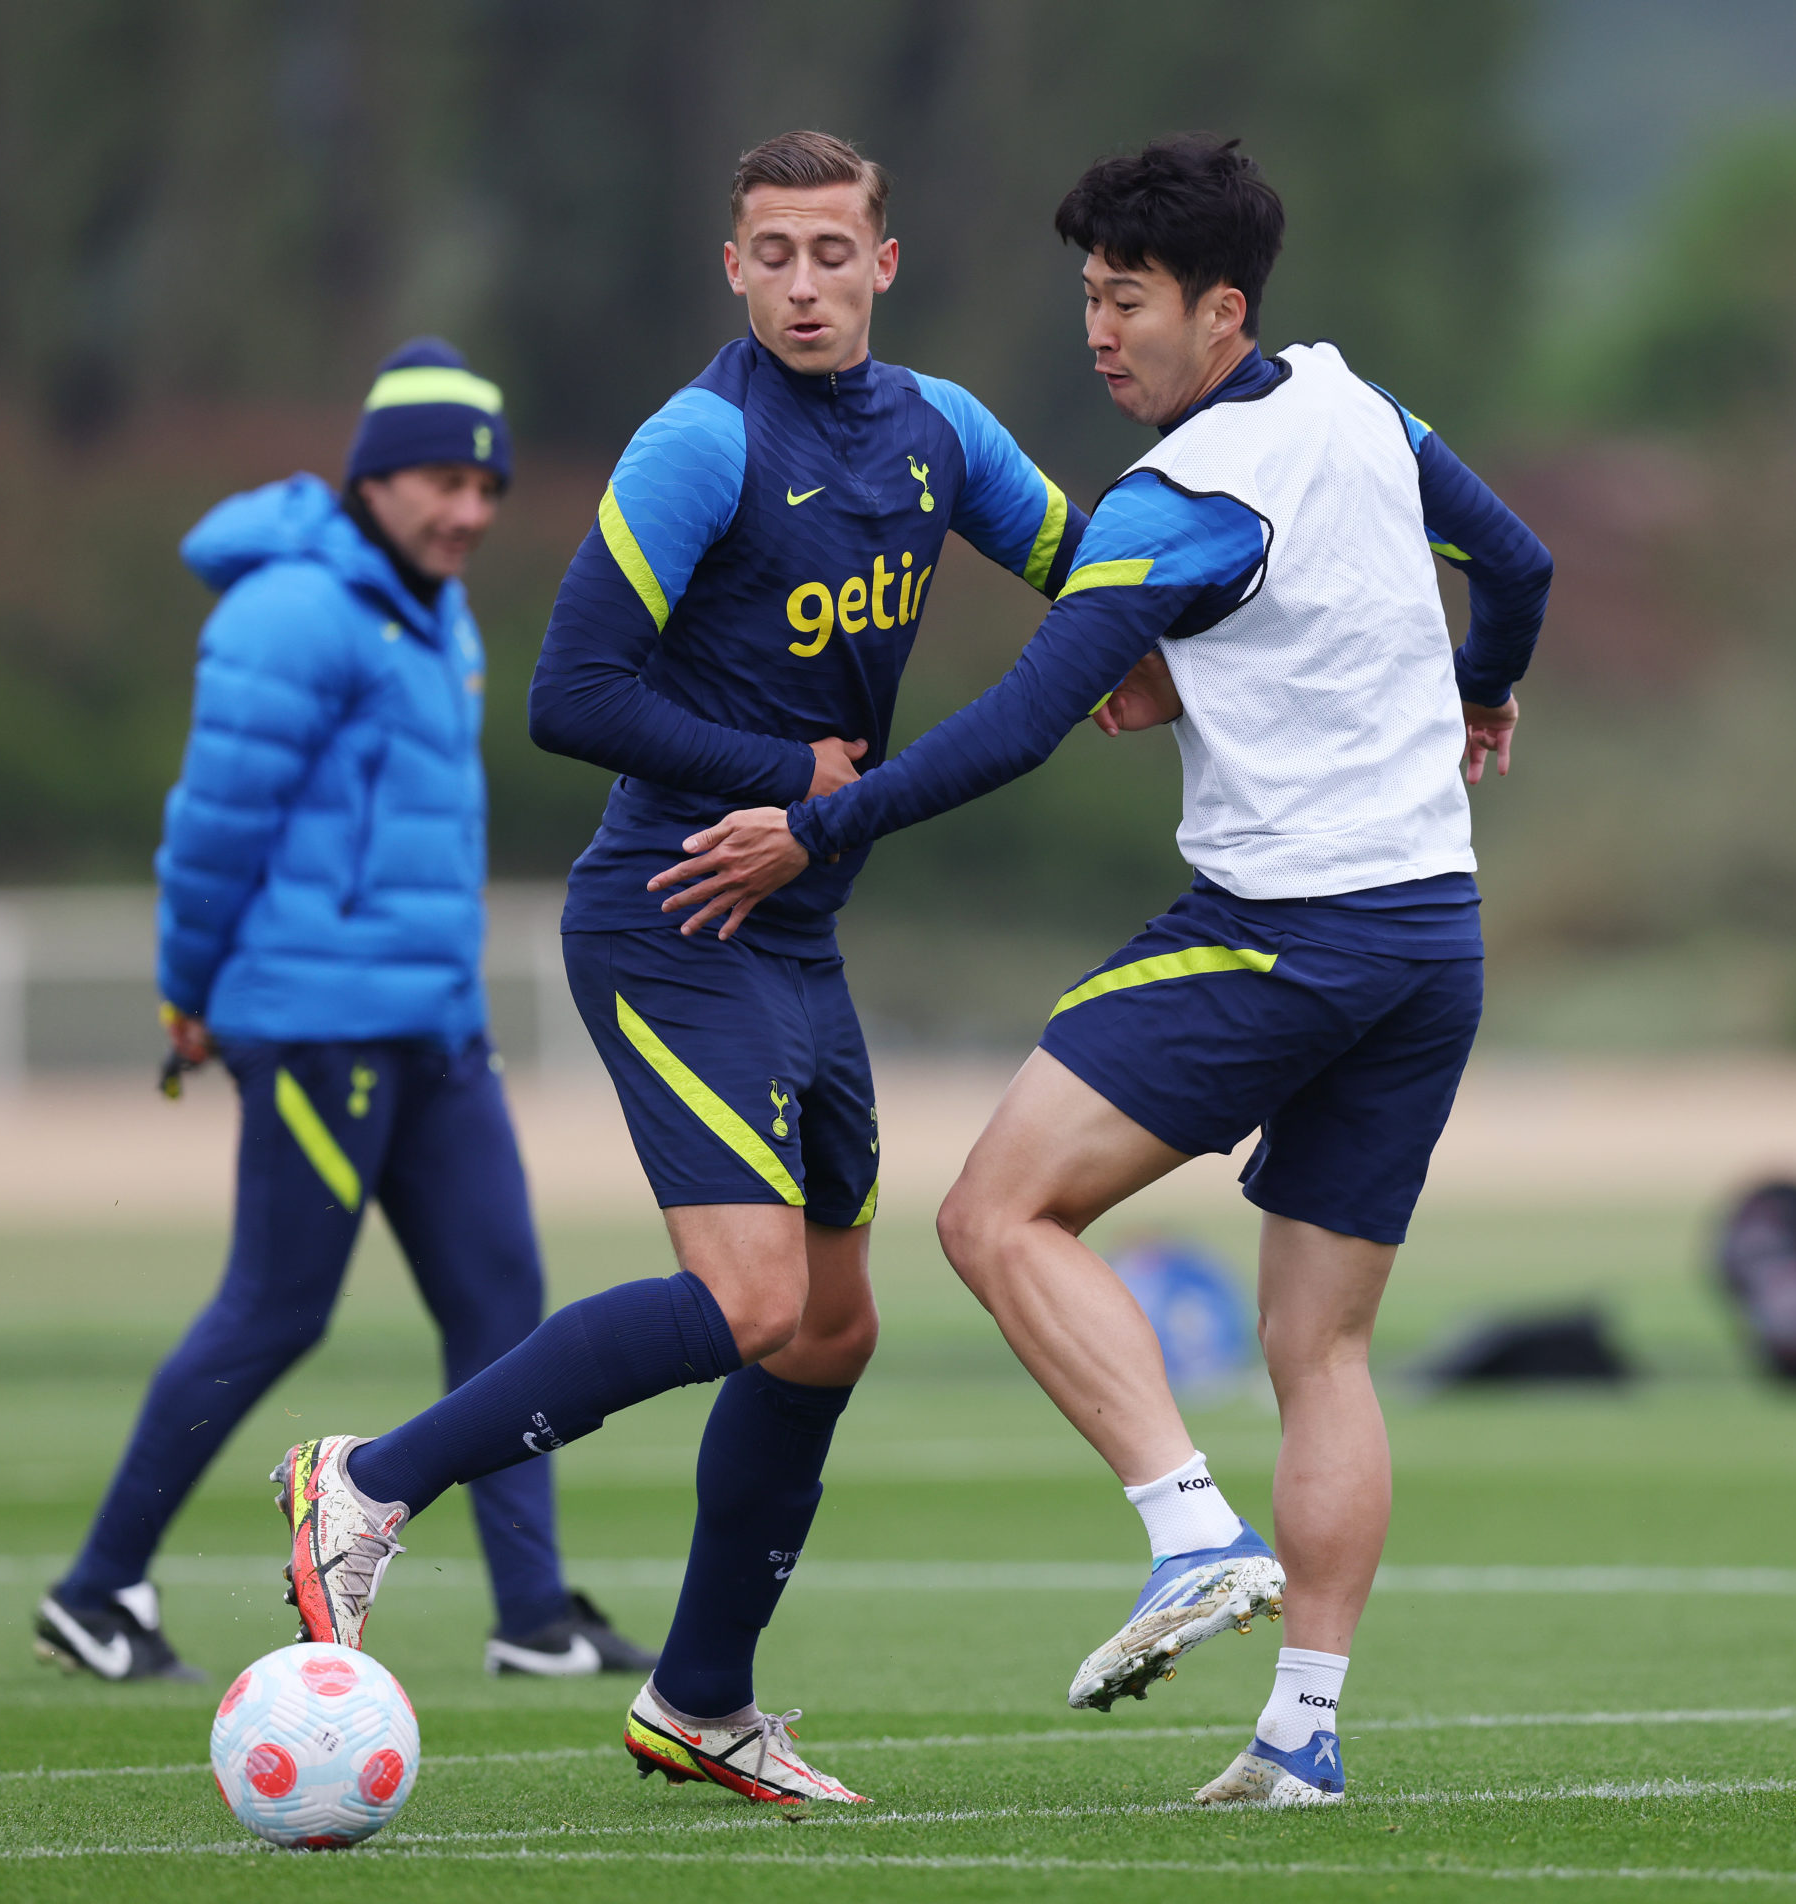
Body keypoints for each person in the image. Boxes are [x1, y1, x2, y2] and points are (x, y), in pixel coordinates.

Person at [649, 135, 1553, 1809]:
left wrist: (813, 829)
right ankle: (1301, 1735)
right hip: (1434, 936)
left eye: (1126, 302)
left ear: (1221, 313)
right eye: (1086, 297)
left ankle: (1185, 1529)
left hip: (1288, 934)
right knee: (1325, 1355)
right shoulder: (1363, 409)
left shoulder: (1184, 498)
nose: (1098, 333)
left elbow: (1018, 722)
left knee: (991, 1216)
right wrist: (1487, 688)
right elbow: (1516, 565)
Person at [267, 130, 1087, 1806]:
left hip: (801, 929)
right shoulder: (702, 441)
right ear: (735, 268)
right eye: (771, 253)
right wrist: (788, 776)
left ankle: (702, 1700)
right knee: (755, 1302)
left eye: (831, 252)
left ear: (886, 262)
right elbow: (570, 693)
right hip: (671, 914)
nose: (803, 283)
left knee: (834, 1331)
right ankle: (368, 1477)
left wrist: (1171, 638)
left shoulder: (947, 434)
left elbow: (1089, 568)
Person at [36, 340, 653, 1686]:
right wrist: (186, 996)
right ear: (375, 478)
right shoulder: (293, 612)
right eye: (442, 480)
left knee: (502, 1298)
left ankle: (534, 1616)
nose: (470, 513)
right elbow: (210, 831)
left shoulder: (433, 610)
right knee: (276, 1308)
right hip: (315, 1025)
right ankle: (97, 1593)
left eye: (485, 486)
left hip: (433, 1026)